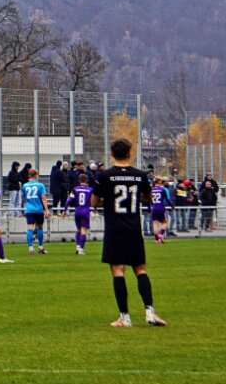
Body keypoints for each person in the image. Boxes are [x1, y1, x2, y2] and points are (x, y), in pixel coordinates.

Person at [92, 138, 167, 327]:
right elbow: (147, 196)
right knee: (140, 269)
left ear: (112, 154)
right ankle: (150, 312)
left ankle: (124, 317)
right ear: (129, 154)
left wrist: (106, 200)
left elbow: (93, 202)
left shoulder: (105, 176)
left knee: (118, 271)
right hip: (134, 229)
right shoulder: (140, 175)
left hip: (114, 230)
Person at [21, 168, 50, 254]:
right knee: (40, 227)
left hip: (29, 209)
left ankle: (30, 248)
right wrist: (46, 209)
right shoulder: (40, 185)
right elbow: (43, 198)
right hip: (38, 209)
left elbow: (23, 197)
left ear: (29, 175)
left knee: (30, 228)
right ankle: (40, 247)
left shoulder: (25, 186)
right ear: (36, 175)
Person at [67, 173, 95, 255]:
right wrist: (95, 210)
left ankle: (77, 246)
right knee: (84, 231)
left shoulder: (75, 189)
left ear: (79, 180)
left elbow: (69, 200)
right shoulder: (90, 190)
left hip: (77, 211)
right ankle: (81, 250)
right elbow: (93, 201)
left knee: (78, 230)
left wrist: (64, 210)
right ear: (87, 180)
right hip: (85, 211)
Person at [149, 177, 170, 244]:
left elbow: (148, 201)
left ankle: (156, 240)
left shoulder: (151, 189)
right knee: (165, 222)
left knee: (155, 224)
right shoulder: (162, 189)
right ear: (159, 182)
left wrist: (149, 209)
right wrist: (172, 206)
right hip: (161, 208)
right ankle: (161, 234)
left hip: (154, 208)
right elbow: (167, 200)